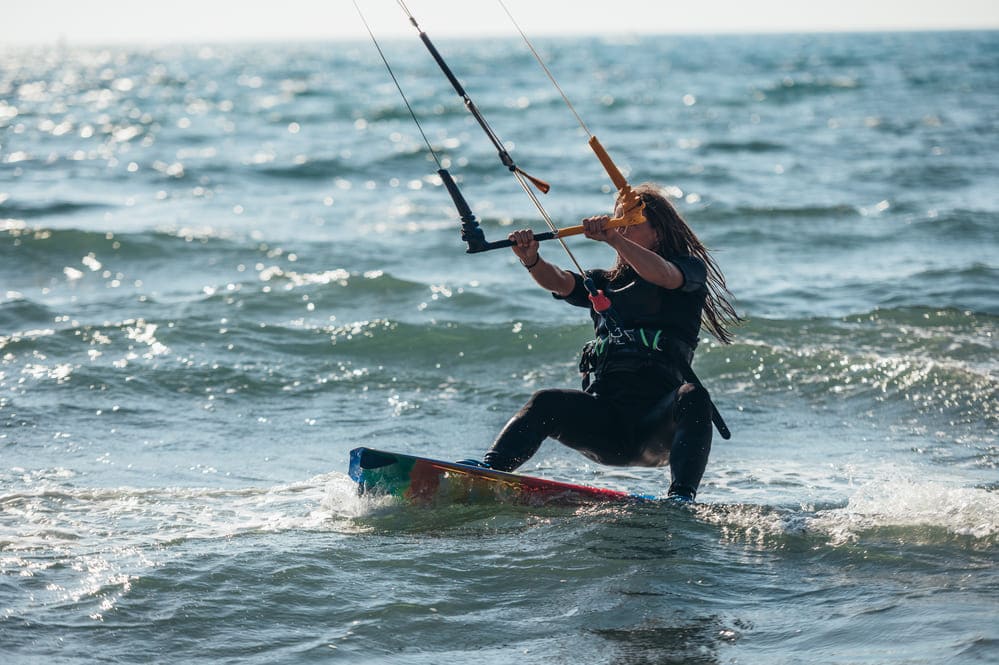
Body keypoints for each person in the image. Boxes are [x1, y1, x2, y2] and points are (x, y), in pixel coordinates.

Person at [460, 183, 741, 501]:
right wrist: (532, 260)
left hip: (656, 428)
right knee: (545, 401)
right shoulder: (603, 284)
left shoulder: (688, 271)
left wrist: (614, 238)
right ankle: (488, 471)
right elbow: (562, 282)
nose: (618, 228)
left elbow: (662, 274)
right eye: (617, 221)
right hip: (606, 424)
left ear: (658, 233)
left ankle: (681, 498)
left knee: (694, 397)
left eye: (629, 224)